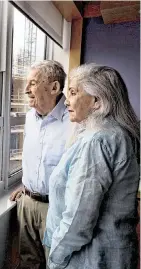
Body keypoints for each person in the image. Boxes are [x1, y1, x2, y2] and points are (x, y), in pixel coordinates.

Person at [44, 64, 140, 269]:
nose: (67, 100)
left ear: (96, 101)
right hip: (114, 253)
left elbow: (78, 218)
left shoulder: (96, 141)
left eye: (73, 92)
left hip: (90, 258)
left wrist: (56, 258)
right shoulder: (118, 134)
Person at [9, 60, 70, 269]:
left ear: (54, 87)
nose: (26, 90)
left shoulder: (74, 121)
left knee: (57, 262)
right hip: (27, 202)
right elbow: (35, 158)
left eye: (32, 83)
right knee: (28, 262)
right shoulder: (29, 118)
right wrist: (27, 186)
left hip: (57, 207)